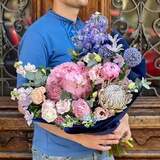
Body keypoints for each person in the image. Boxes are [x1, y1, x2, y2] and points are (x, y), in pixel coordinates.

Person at [17, 0, 146, 159]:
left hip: (102, 150)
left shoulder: (90, 32)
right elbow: (25, 105)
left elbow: (107, 84)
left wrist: (123, 117)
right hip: (59, 154)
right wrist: (79, 138)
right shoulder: (38, 35)